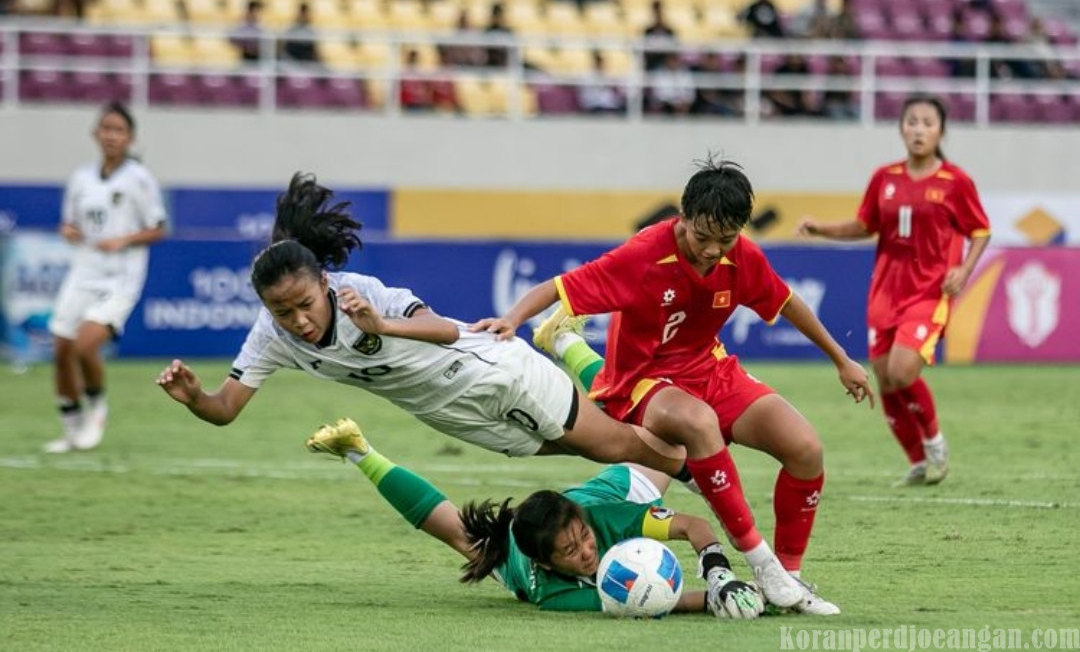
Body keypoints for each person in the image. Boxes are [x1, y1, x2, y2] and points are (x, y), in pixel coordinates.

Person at [470, 155, 875, 614]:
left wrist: (841, 360)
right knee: (698, 423)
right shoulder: (644, 255)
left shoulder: (740, 257)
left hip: (709, 367)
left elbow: (786, 302)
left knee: (805, 447)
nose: (711, 250)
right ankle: (762, 564)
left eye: (725, 239)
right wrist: (511, 319)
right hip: (641, 381)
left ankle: (790, 579)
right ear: (683, 218)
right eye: (702, 238)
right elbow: (559, 287)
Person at [155, 172, 689, 481]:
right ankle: (677, 444)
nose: (298, 321)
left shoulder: (360, 293)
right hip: (452, 415)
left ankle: (707, 475)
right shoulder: (272, 337)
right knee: (588, 447)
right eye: (282, 312)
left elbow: (446, 331)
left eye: (304, 304)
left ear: (323, 280)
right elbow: (225, 408)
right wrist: (195, 396)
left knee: (613, 446)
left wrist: (380, 323)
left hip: (491, 372)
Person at [305, 416, 764, 618]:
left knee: (666, 441)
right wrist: (719, 604)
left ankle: (565, 341)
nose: (586, 551)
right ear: (546, 563)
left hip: (612, 491)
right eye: (571, 551)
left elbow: (692, 527)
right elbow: (658, 602)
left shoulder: (601, 517)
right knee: (454, 532)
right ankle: (358, 450)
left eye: (582, 539)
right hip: (523, 539)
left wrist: (721, 577)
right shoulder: (548, 591)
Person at [797, 95, 991, 488]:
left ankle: (934, 439)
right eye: (912, 122)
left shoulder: (955, 182)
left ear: (941, 131)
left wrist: (965, 270)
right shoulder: (885, 177)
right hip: (885, 292)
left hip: (929, 291)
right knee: (884, 379)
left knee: (903, 371)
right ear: (902, 128)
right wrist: (822, 229)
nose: (919, 130)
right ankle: (918, 462)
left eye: (927, 123)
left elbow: (981, 230)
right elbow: (864, 225)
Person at [45, 101, 168, 453]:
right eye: (106, 129)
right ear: (96, 134)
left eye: (119, 130)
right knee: (61, 347)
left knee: (85, 344)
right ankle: (71, 426)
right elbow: (71, 223)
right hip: (83, 270)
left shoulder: (139, 179)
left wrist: (124, 239)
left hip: (120, 278)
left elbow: (158, 228)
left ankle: (97, 408)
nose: (111, 135)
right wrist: (68, 231)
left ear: (130, 137)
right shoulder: (81, 178)